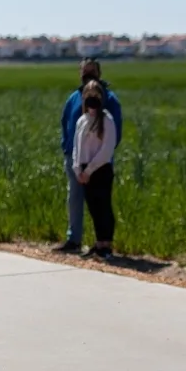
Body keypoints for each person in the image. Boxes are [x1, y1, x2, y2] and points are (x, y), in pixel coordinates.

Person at [55, 58, 123, 253]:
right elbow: (66, 123)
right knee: (75, 199)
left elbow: (115, 133)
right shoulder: (74, 98)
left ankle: (102, 243)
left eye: (91, 71)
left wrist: (97, 161)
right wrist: (68, 149)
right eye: (84, 71)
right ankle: (74, 239)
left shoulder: (109, 100)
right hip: (76, 160)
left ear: (99, 73)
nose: (88, 75)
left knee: (100, 203)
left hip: (99, 163)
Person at [72, 80, 117, 259]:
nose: (92, 98)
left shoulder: (107, 120)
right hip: (84, 171)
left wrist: (89, 170)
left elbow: (106, 150)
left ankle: (106, 244)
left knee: (103, 206)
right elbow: (76, 147)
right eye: (88, 95)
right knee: (93, 208)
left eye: (95, 95)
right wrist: (78, 169)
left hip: (100, 169)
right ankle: (98, 242)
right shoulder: (82, 120)